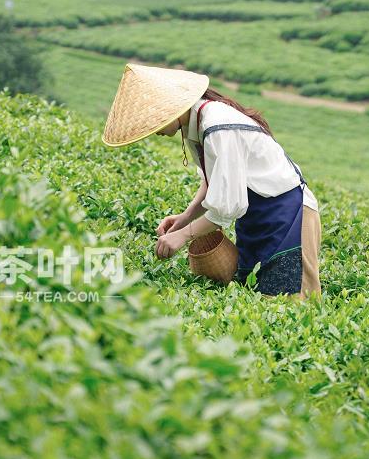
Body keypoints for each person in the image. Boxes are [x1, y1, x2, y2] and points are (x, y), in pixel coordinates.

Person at [102, 63, 321, 299]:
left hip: (289, 216)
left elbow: (225, 209)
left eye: (155, 120)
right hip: (257, 219)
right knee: (258, 297)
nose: (153, 129)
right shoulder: (197, 125)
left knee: (293, 302)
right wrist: (185, 218)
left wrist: (182, 236)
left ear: (173, 109)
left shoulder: (217, 125)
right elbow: (213, 182)